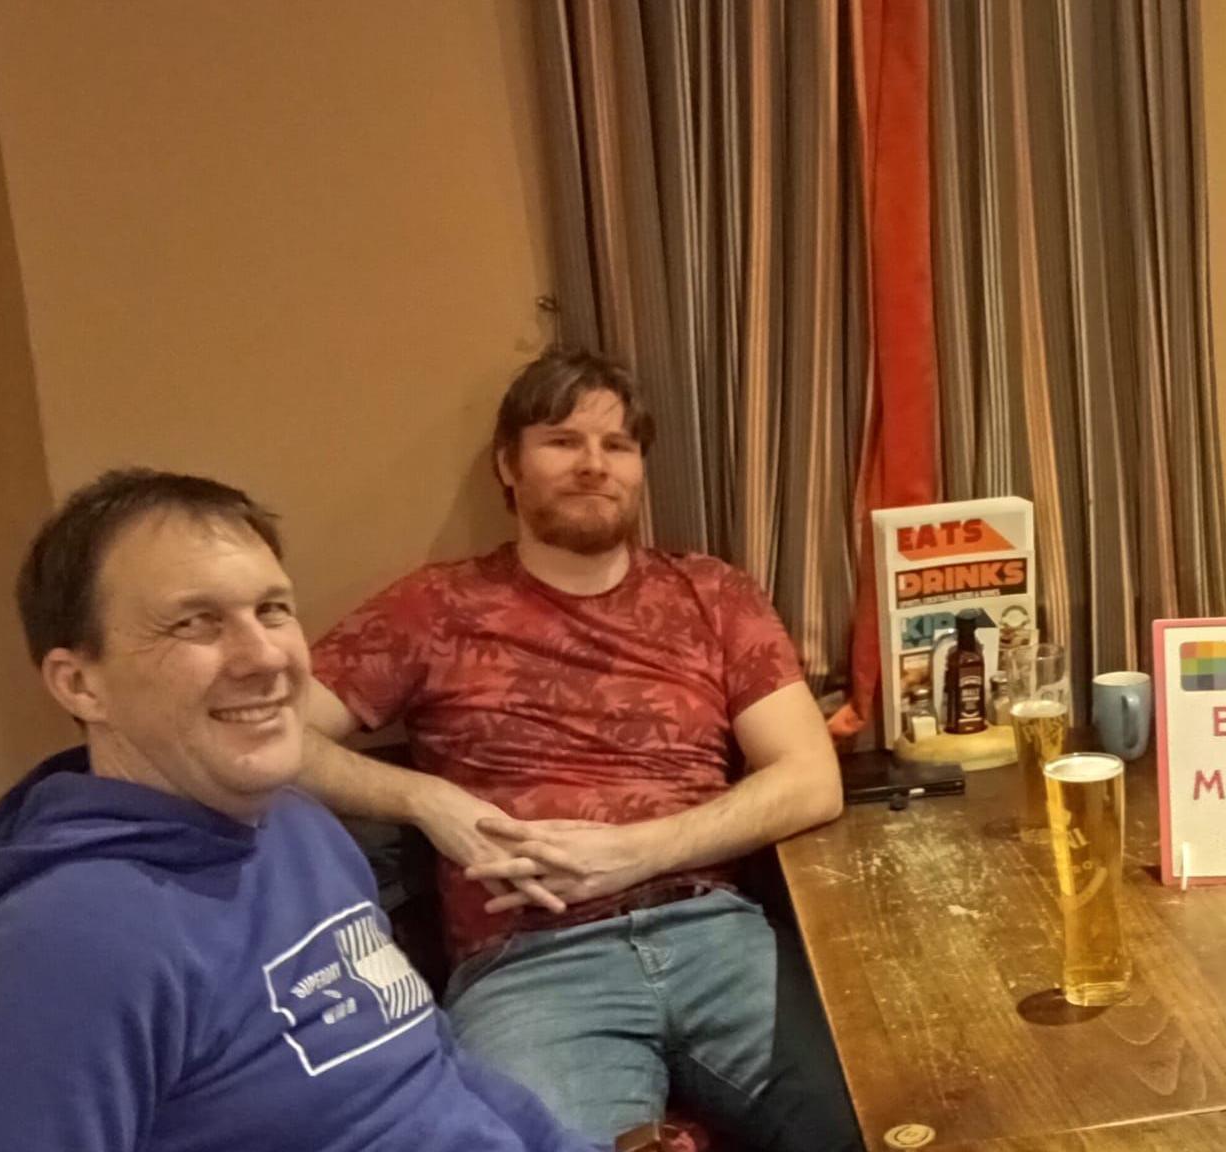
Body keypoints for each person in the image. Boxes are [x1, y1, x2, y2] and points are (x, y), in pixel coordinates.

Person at [299, 348, 860, 1150]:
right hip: (530, 967)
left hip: (716, 937)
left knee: (884, 1121)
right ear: (509, 465)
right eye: (562, 441)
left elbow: (812, 781)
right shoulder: (433, 606)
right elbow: (271, 739)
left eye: (617, 446)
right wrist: (425, 800)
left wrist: (635, 852)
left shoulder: (712, 593)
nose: (594, 465)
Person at [0, 469, 595, 1152]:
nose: (265, 655)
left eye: (272, 609)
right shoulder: (68, 943)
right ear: (80, 684)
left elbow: (436, 1068)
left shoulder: (299, 825)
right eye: (195, 622)